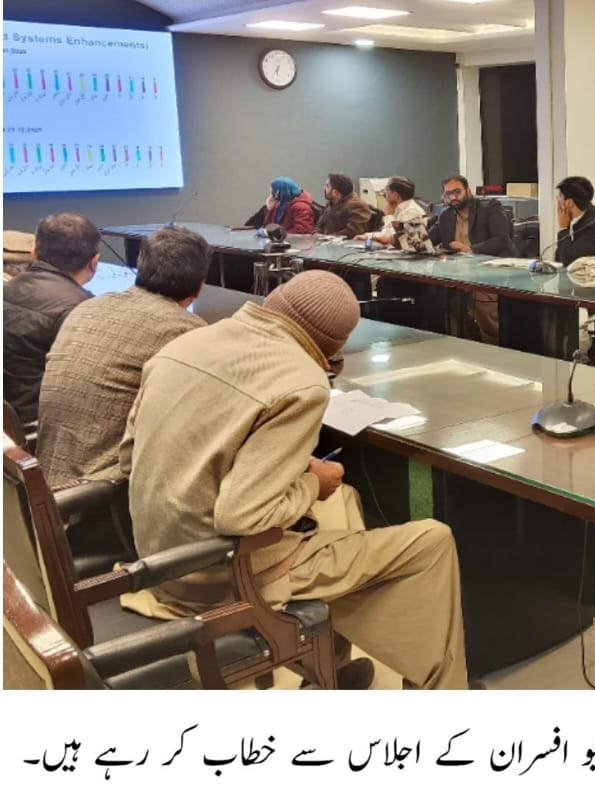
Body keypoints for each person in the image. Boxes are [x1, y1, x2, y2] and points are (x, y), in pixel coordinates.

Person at [119, 271, 469, 689]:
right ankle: (445, 691)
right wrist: (311, 484)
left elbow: (128, 458)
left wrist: (289, 473)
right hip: (218, 574)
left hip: (156, 558)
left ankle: (332, 667)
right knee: (431, 541)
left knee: (343, 500)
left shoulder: (183, 345)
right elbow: (241, 517)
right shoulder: (302, 382)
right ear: (331, 347)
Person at [37, 227, 208, 489]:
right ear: (199, 287)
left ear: (141, 267)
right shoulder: (187, 331)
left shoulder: (89, 307)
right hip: (100, 494)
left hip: (44, 482)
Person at [3, 212, 100, 424]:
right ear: (94, 262)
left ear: (34, 254)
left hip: (10, 424)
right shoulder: (84, 311)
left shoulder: (6, 289)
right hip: (38, 428)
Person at [428, 175, 515, 345]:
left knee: (488, 320)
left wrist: (470, 249)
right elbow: (428, 239)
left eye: (457, 192)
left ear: (467, 190)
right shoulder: (446, 216)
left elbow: (501, 240)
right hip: (458, 275)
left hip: (491, 273)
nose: (453, 197)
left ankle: (498, 349)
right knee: (435, 298)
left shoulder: (489, 207)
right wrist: (403, 239)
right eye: (448, 194)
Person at [554, 176, 595, 270]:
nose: (558, 201)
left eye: (560, 197)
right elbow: (559, 257)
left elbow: (570, 261)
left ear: (569, 202)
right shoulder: (580, 218)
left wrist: (563, 228)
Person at [366, 175, 425, 248]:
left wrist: (389, 216)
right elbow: (385, 233)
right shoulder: (400, 208)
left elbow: (390, 238)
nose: (384, 195)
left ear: (395, 195)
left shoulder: (411, 211)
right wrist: (368, 236)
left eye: (386, 191)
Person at [316, 173, 373, 239]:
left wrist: (328, 237)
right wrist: (316, 233)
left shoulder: (357, 206)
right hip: (327, 242)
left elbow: (353, 231)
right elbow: (320, 224)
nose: (324, 188)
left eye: (327, 186)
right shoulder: (332, 203)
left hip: (345, 243)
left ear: (335, 192)